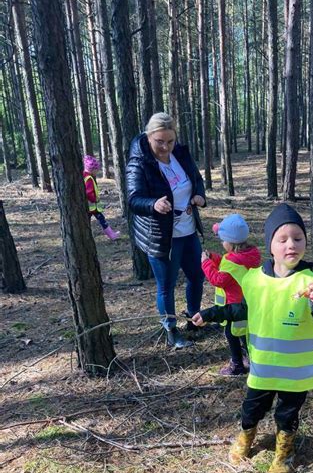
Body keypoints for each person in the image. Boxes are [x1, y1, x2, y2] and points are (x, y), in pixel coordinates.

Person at [192, 204, 313, 473]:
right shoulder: (254, 280)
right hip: (263, 368)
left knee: (287, 413)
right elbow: (239, 309)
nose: (291, 245)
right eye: (282, 239)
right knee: (252, 408)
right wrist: (210, 314)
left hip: (296, 372)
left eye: (297, 238)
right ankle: (247, 436)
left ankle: (284, 451)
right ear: (270, 245)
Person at [126, 112, 206, 348]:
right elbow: (133, 199)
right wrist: (153, 204)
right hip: (161, 236)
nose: (165, 147)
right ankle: (171, 331)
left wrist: (199, 195)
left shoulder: (180, 153)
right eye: (159, 141)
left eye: (170, 141)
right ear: (149, 136)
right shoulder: (139, 162)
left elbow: (196, 179)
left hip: (188, 230)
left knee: (197, 276)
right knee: (167, 286)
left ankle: (194, 318)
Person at [201, 214, 261, 376]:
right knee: (245, 334)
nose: (222, 243)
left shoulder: (232, 262)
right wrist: (213, 258)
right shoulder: (249, 255)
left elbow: (217, 279)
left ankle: (237, 365)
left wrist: (206, 263)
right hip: (247, 304)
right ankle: (251, 359)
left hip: (232, 307)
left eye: (223, 240)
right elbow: (228, 265)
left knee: (231, 334)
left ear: (230, 242)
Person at [83, 155, 120, 240]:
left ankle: (111, 235)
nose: (97, 171)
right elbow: (88, 193)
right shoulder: (89, 178)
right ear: (92, 169)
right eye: (97, 170)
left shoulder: (84, 176)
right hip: (92, 206)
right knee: (102, 220)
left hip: (90, 206)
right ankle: (112, 235)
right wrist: (94, 199)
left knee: (94, 220)